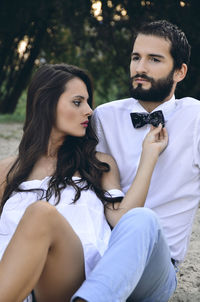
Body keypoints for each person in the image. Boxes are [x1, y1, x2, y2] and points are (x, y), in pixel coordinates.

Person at [0, 63, 169, 302]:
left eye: (88, 102)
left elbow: (123, 220)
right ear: (46, 104)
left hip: (72, 278)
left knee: (40, 213)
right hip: (18, 284)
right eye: (78, 102)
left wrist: (149, 156)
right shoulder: (7, 171)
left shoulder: (97, 164)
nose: (89, 110)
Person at [90, 19, 200, 301]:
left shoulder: (195, 118)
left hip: (158, 269)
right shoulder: (104, 116)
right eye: (136, 57)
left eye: (154, 59)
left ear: (180, 71)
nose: (140, 67)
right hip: (101, 251)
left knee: (142, 220)